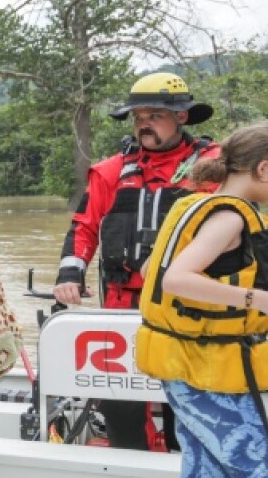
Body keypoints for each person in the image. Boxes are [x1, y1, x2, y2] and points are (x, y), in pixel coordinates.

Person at [136, 120, 268, 478]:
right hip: (206, 369)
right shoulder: (230, 218)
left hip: (188, 366)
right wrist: (265, 301)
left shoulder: (196, 206)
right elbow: (175, 279)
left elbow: (149, 270)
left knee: (204, 477)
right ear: (263, 169)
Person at [52, 72, 223, 451]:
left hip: (189, 304)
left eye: (154, 115)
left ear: (181, 117)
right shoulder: (111, 171)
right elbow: (84, 228)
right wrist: (70, 273)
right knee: (120, 404)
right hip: (122, 305)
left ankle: (188, 476)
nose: (144, 123)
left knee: (188, 405)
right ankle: (133, 473)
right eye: (138, 116)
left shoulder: (213, 167)